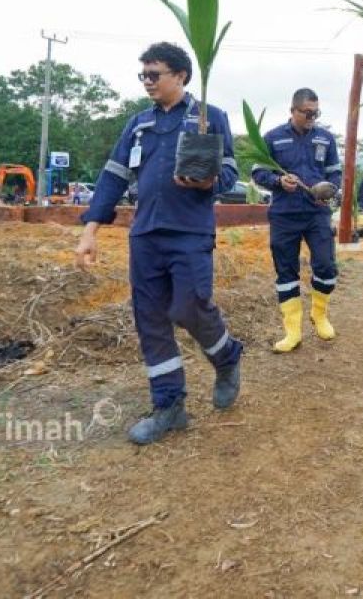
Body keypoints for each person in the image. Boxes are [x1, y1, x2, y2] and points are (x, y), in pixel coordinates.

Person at [76, 42, 243, 445]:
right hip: (146, 233)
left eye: (155, 74)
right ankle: (169, 406)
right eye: (143, 75)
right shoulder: (138, 124)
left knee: (189, 306)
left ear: (181, 76)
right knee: (150, 320)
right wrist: (90, 229)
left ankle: (227, 356)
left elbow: (231, 172)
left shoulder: (208, 117)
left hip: (190, 232)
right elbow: (114, 175)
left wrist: (210, 181)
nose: (147, 82)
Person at [251, 88, 342, 352]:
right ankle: (292, 332)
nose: (312, 117)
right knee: (286, 272)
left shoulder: (325, 139)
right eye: (307, 113)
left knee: (326, 266)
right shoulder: (272, 138)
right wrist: (278, 181)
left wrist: (330, 188)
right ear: (293, 111)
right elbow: (257, 172)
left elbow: (335, 172)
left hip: (317, 213)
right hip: (284, 214)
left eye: (316, 113)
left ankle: (319, 314)